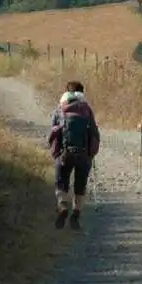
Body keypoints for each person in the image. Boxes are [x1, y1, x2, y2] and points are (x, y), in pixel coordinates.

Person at [48, 81, 100, 230]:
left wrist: (55, 152)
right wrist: (92, 152)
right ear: (82, 93)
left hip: (65, 153)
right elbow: (94, 133)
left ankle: (63, 205)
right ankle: (76, 214)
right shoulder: (87, 110)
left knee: (61, 183)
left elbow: (54, 132)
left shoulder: (60, 109)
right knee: (80, 186)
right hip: (84, 154)